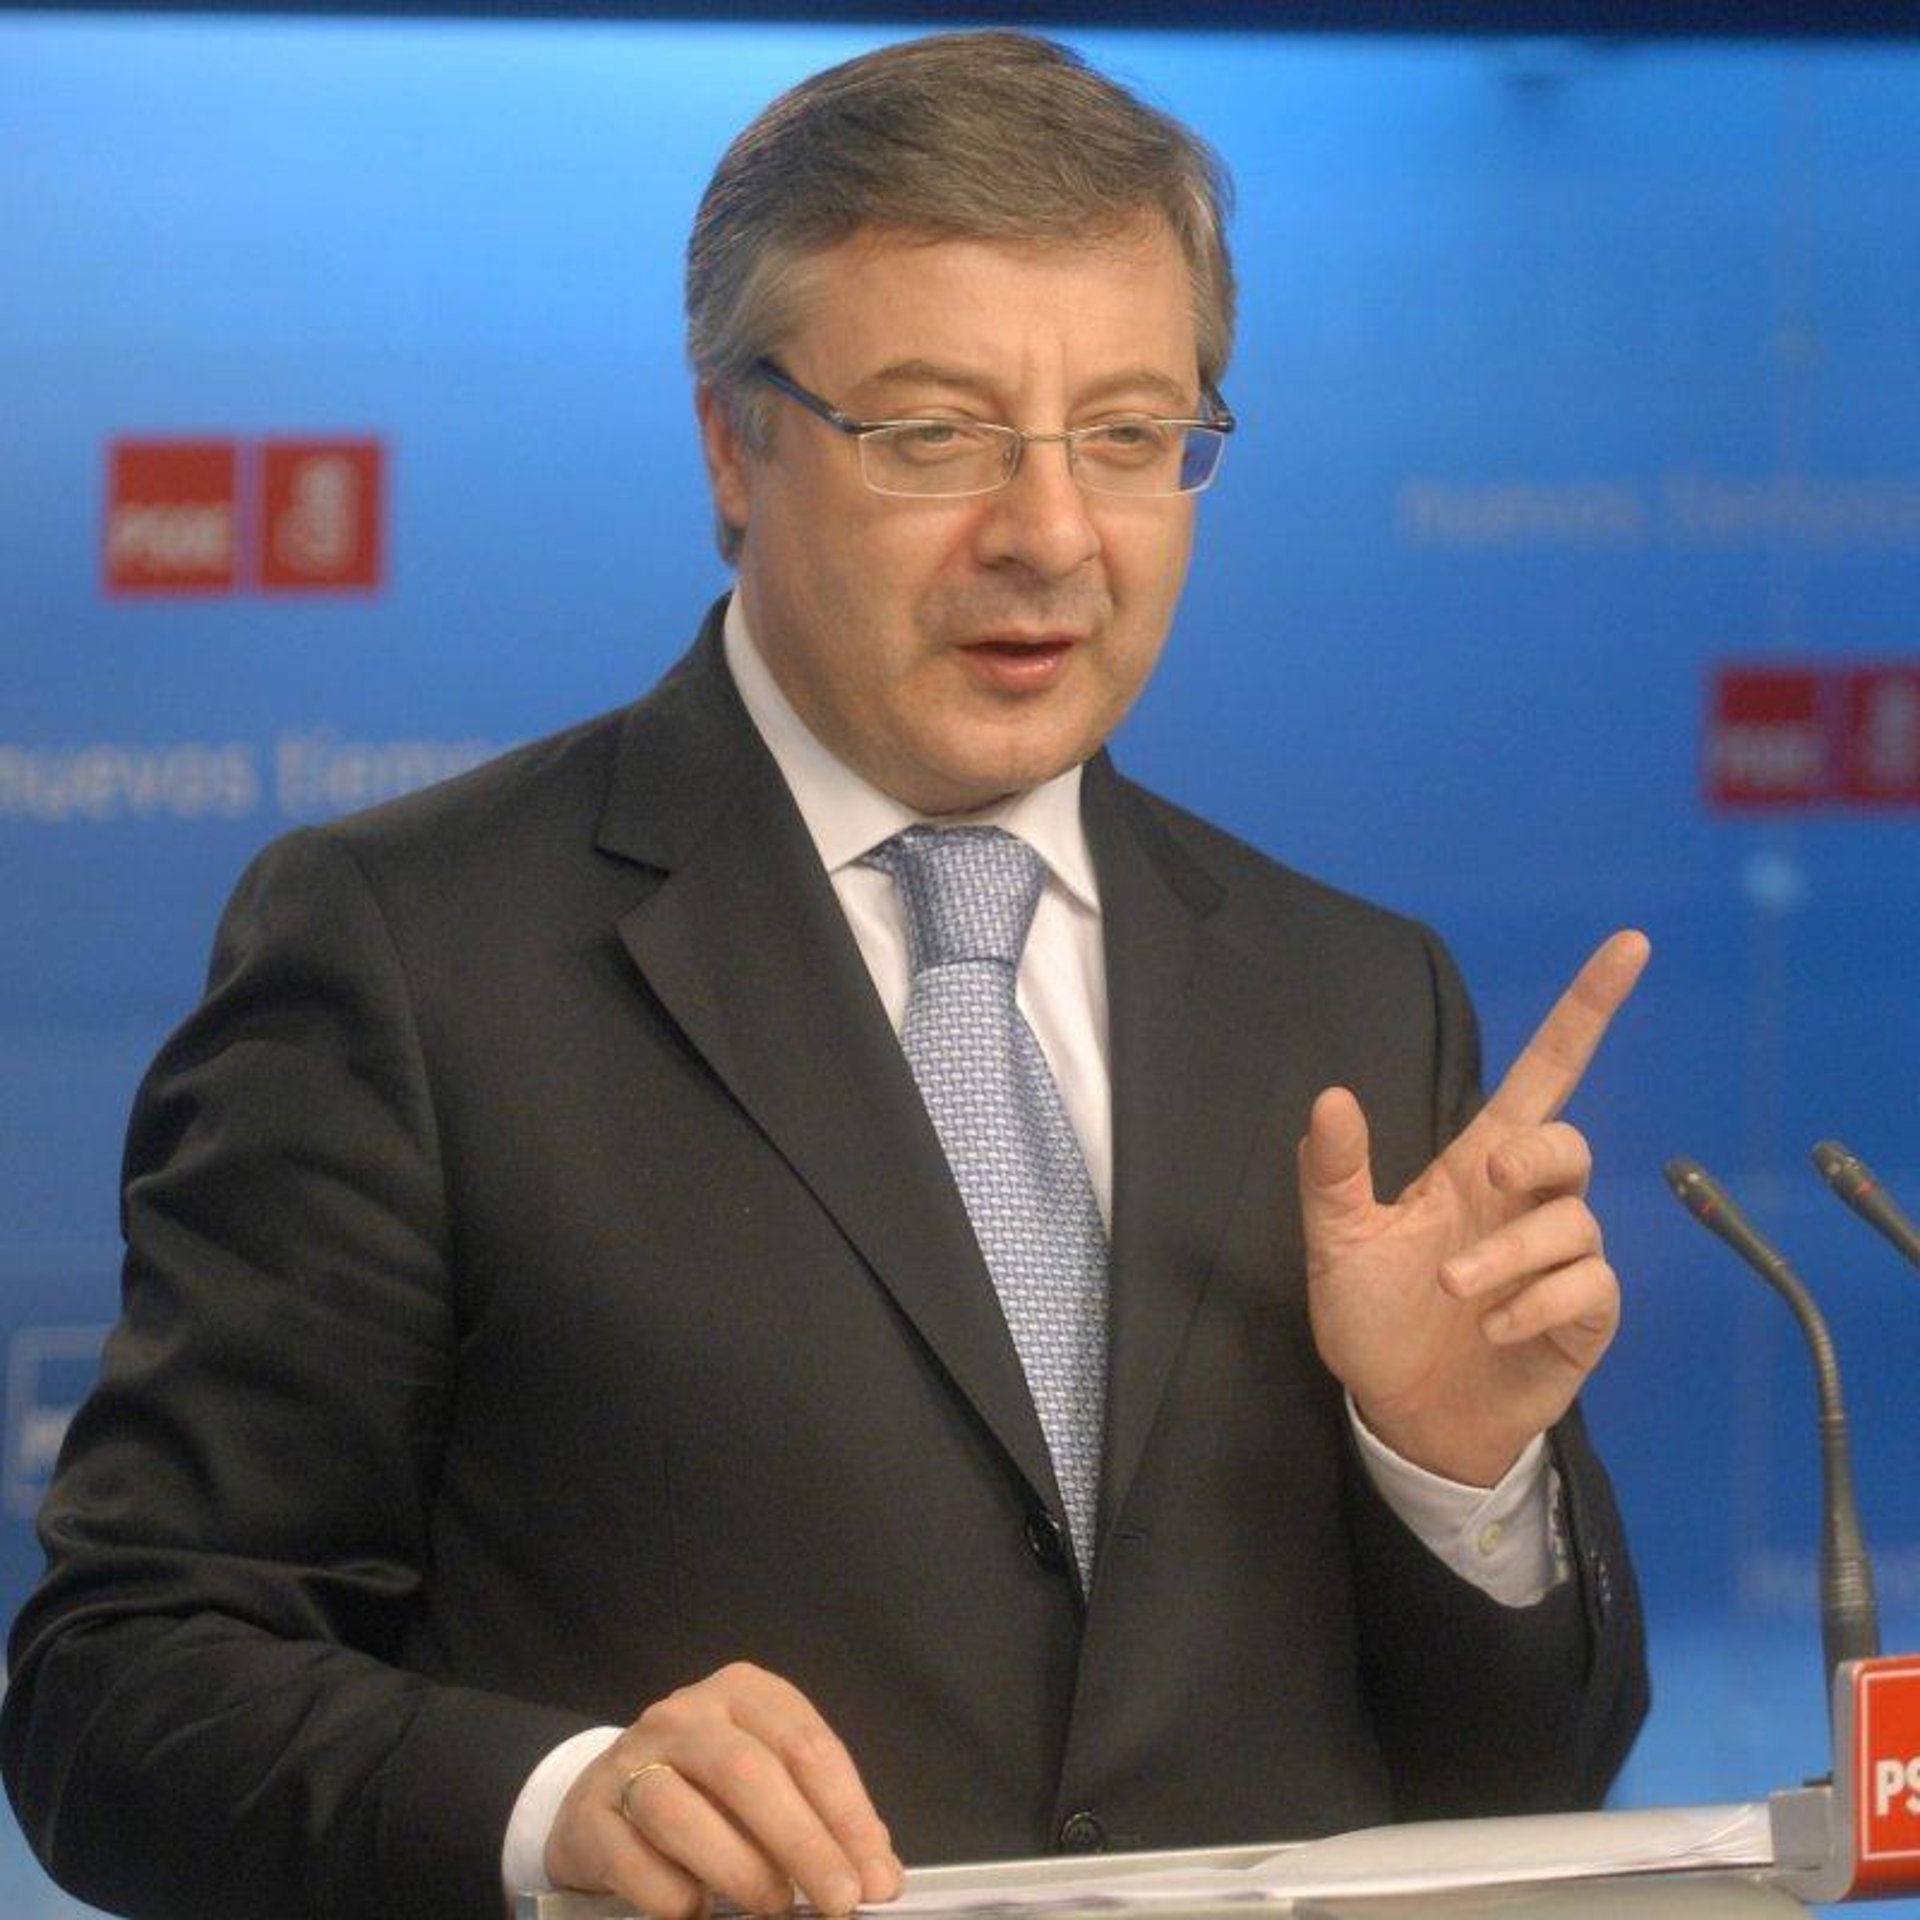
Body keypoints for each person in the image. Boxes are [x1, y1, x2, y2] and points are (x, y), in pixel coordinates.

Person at [2, 31, 1649, 1920]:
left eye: (1130, 436)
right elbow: (121, 1693)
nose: (1050, 533)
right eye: (934, 434)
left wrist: (1451, 1482)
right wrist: (557, 1806)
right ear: (736, 442)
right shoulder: (408, 954)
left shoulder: (1354, 995)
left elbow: (1525, 1784)